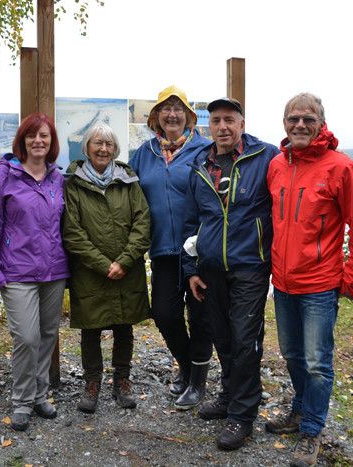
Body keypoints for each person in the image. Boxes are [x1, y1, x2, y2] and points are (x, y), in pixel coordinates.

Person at [265, 93, 353, 466]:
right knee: (292, 355)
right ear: (284, 123)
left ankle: (311, 430)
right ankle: (299, 410)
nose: (299, 125)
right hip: (282, 283)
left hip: (319, 285)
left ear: (321, 123)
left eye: (307, 119)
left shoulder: (341, 168)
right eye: (293, 118)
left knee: (316, 362)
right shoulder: (278, 165)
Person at [182, 97, 279, 450]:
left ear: (241, 123)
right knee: (221, 335)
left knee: (244, 339)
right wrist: (191, 266)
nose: (222, 126)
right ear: (210, 124)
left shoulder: (266, 157)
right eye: (216, 120)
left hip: (249, 265)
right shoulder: (199, 162)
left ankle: (242, 415)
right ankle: (228, 396)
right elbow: (193, 221)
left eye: (230, 120)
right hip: (210, 266)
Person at [0, 112, 69, 432]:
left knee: (47, 336)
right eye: (32, 135)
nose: (38, 141)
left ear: (52, 142)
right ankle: (21, 401)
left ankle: (40, 395)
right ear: (22, 140)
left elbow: (66, 226)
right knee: (26, 338)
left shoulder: (59, 178)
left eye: (44, 135)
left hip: (54, 270)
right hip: (17, 271)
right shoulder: (2, 176)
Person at [128, 85, 214, 409]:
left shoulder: (204, 150)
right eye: (166, 108)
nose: (172, 114)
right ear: (156, 117)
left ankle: (197, 384)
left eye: (179, 108)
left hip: (200, 250)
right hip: (163, 249)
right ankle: (189, 366)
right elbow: (127, 197)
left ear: (189, 116)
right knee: (164, 313)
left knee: (200, 316)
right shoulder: (143, 154)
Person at [62, 122, 150, 414]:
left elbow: (142, 222)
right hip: (90, 271)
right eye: (97, 143)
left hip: (127, 269)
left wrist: (124, 261)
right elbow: (72, 232)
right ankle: (92, 383)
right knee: (91, 328)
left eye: (108, 144)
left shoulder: (128, 181)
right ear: (86, 147)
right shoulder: (73, 184)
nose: (103, 149)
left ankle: (122, 380)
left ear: (116, 149)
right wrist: (104, 265)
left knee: (124, 327)